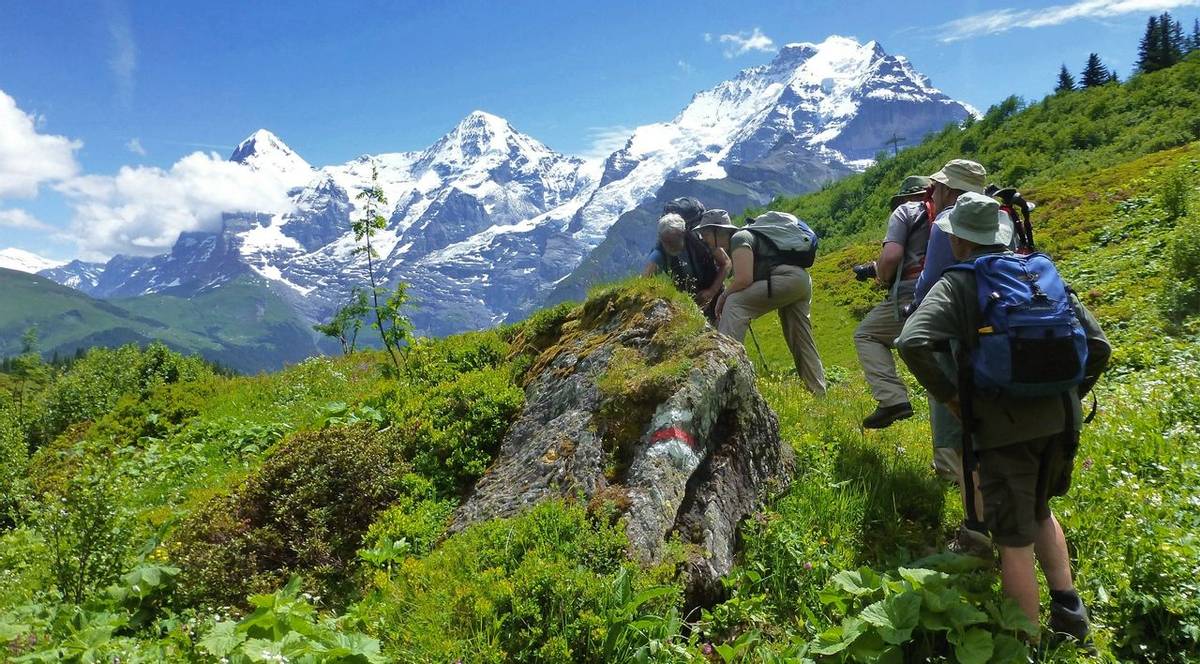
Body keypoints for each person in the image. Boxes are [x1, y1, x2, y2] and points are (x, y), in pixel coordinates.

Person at [897, 192, 1110, 645]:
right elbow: (1100, 345)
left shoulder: (959, 282)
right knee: (1039, 510)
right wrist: (1068, 394)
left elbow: (913, 340)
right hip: (1061, 422)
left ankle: (1024, 645)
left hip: (1002, 429)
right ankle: (1070, 611)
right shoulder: (1040, 271)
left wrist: (953, 399)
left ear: (959, 242)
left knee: (1012, 540)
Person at [694, 211, 827, 395]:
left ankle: (723, 374)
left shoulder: (739, 239)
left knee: (734, 303)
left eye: (706, 233)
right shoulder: (744, 238)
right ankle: (818, 392)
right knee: (800, 337)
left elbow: (744, 279)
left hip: (786, 280)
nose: (703, 238)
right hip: (800, 281)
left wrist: (723, 298)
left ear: (719, 231)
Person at [852, 176, 933, 429]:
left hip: (912, 293)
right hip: (950, 289)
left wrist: (881, 273)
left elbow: (892, 257)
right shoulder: (947, 212)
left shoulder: (906, 211)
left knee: (867, 334)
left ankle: (892, 399)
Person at [644, 211, 730, 321]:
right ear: (660, 238)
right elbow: (643, 282)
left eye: (673, 240)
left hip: (716, 292)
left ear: (683, 233)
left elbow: (726, 264)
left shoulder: (701, 240)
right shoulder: (659, 254)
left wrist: (711, 292)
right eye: (666, 241)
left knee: (726, 331)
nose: (670, 245)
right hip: (689, 304)